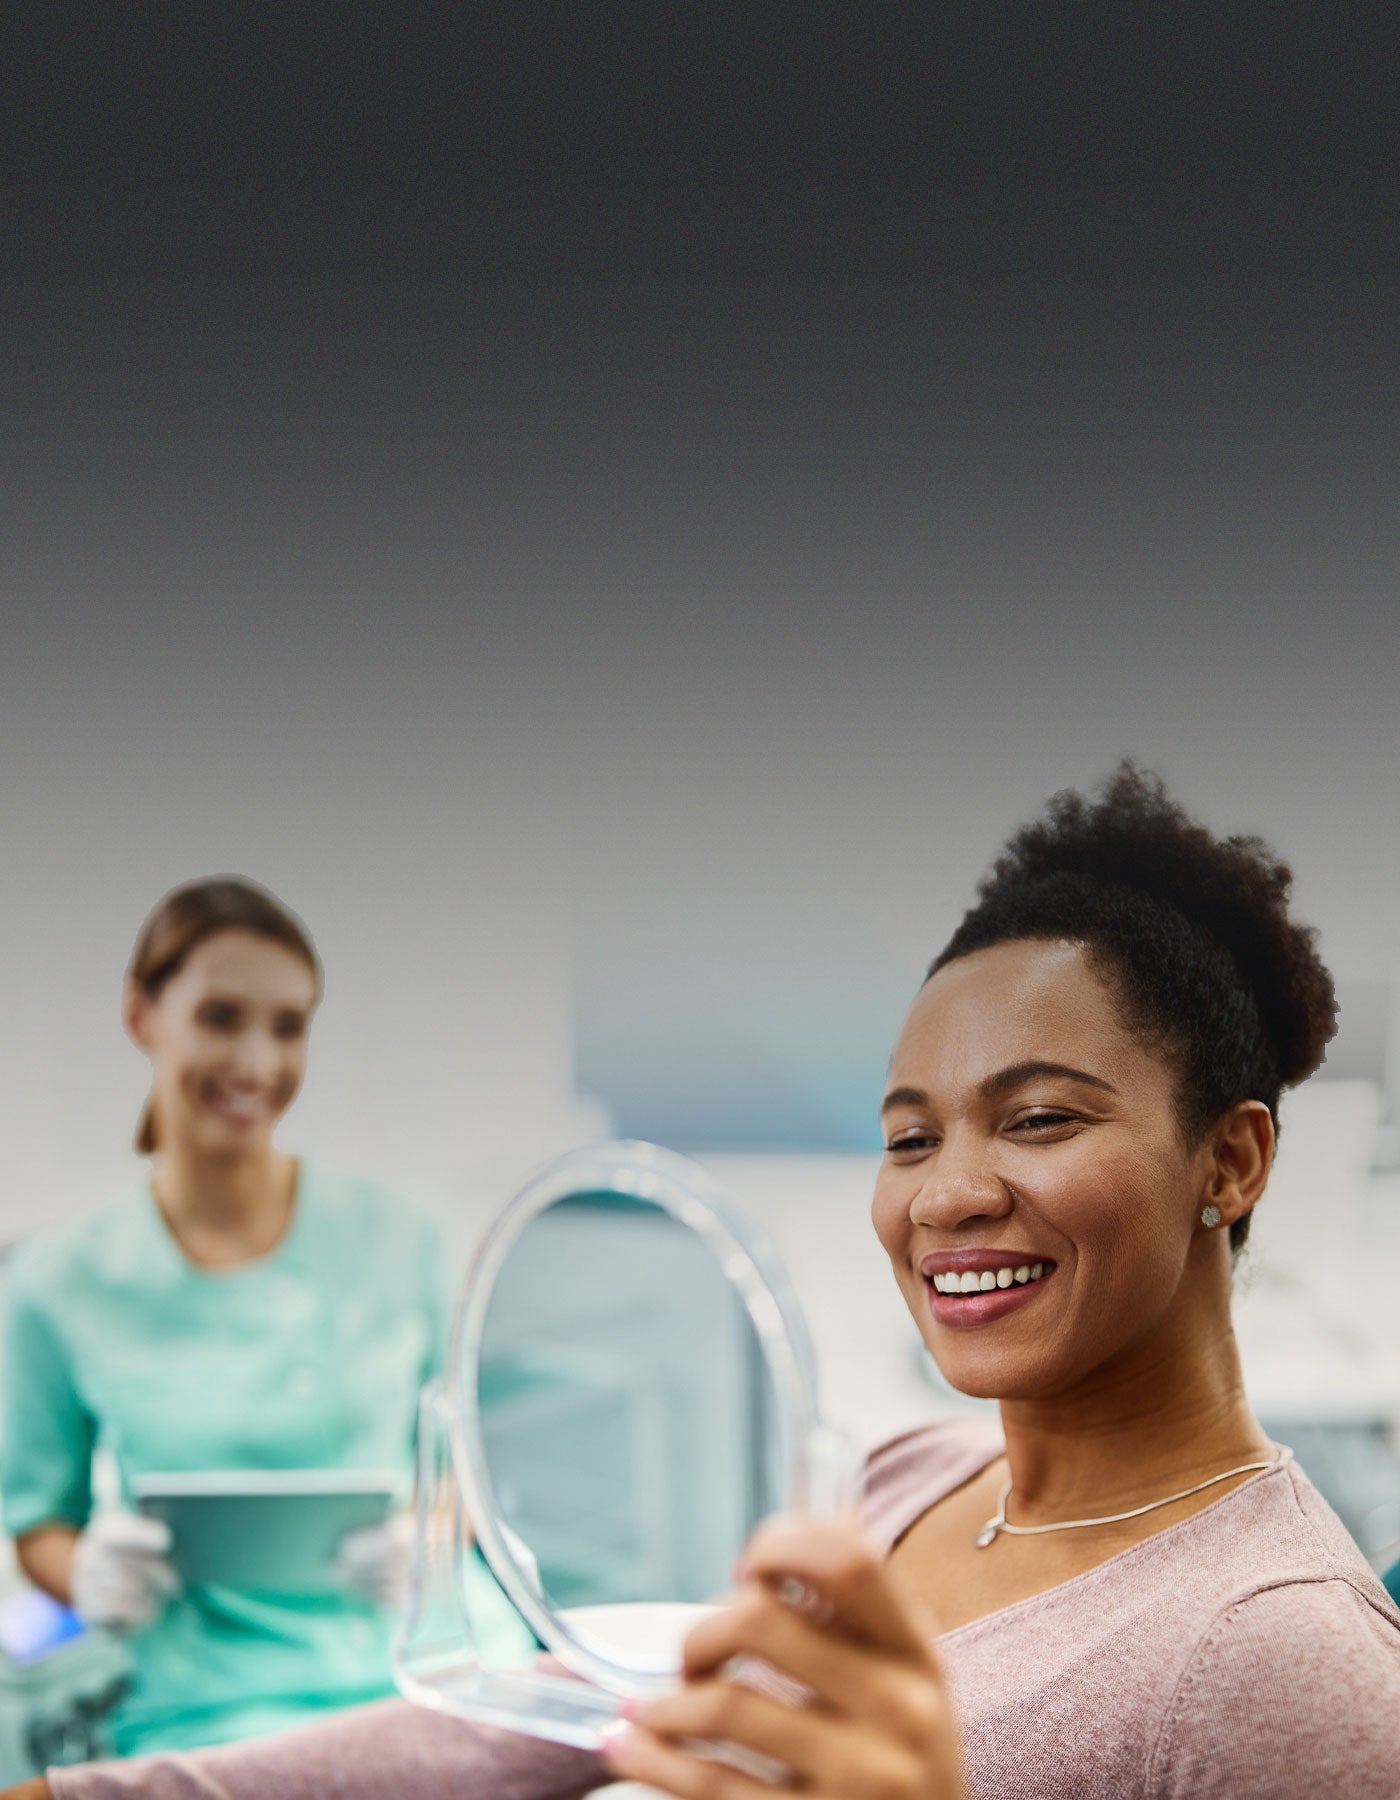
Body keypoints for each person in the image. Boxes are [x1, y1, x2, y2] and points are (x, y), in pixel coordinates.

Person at [10, 768, 1400, 1799]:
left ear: (1230, 1160)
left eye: (1037, 1118)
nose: (945, 1195)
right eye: (908, 1137)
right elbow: (515, 1737)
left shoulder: (1284, 1660)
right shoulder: (905, 1483)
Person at [1, 879, 450, 1759]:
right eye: (220, 1017)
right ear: (140, 1015)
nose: (257, 1062)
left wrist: (426, 1543)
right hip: (204, 1705)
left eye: (289, 1027)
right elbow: (38, 1524)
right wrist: (85, 1576)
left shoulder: (402, 1240)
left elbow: (463, 1477)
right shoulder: (57, 1283)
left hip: (419, 1671)